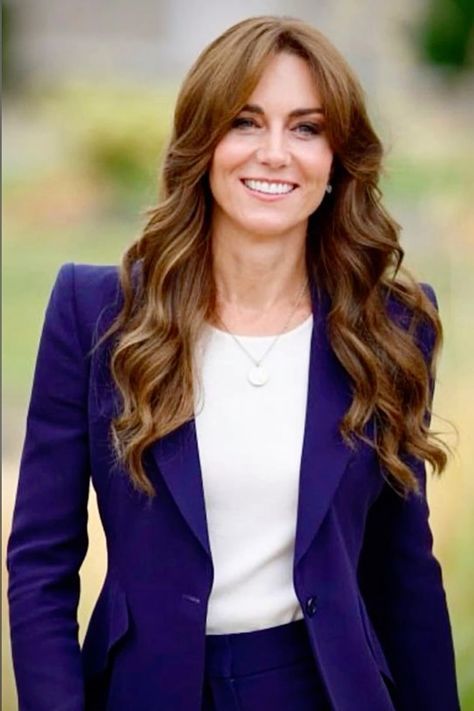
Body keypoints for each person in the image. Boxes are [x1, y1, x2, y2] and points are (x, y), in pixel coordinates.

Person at [6, 15, 460, 711]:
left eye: (306, 128)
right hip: (148, 690)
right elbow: (40, 563)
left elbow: (403, 572)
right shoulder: (95, 313)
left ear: (337, 157)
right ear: (203, 141)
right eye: (246, 122)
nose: (275, 152)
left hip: (324, 689)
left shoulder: (389, 326)